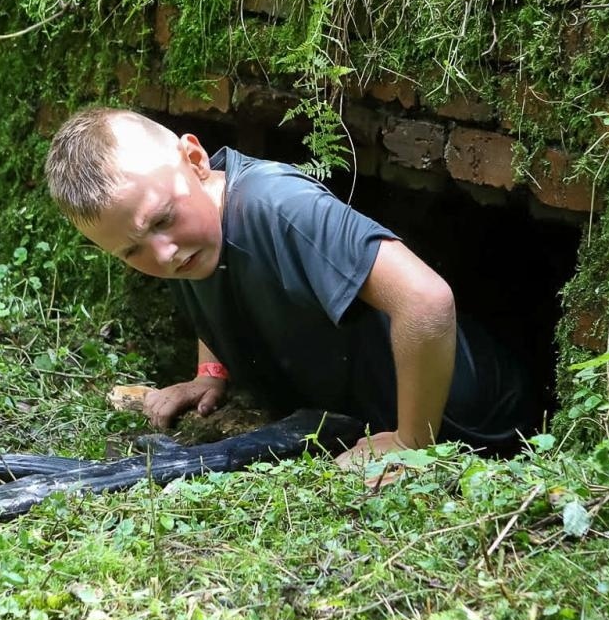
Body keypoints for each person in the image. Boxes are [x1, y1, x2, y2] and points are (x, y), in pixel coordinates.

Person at [44, 107, 537, 478]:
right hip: (364, 414)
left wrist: (412, 441)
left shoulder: (277, 207)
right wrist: (209, 372)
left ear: (194, 159)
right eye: (133, 252)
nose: (165, 254)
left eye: (163, 220)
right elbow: (209, 281)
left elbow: (426, 300)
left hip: (477, 426)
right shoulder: (191, 237)